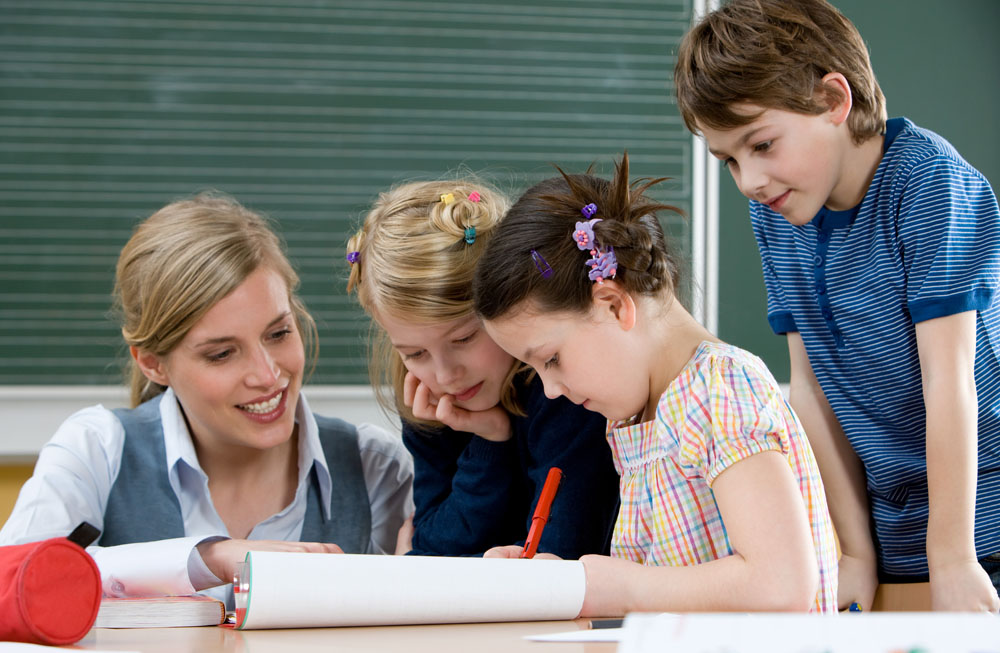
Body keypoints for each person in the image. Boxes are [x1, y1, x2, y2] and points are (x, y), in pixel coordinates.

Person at [672, 0, 1000, 613]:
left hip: (978, 523)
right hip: (892, 526)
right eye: (729, 161)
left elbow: (948, 382)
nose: (749, 181)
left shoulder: (929, 181)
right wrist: (853, 552)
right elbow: (810, 391)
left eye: (762, 144)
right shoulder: (778, 210)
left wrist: (952, 558)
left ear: (832, 100)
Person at [0, 193, 414, 602]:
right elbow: (12, 578)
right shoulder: (97, 449)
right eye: (221, 354)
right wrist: (206, 560)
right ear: (152, 364)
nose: (268, 375)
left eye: (279, 333)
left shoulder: (373, 466)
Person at [472, 155, 838, 614]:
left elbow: (780, 586)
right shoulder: (635, 420)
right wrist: (564, 582)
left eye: (551, 360)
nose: (549, 390)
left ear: (612, 305)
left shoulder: (718, 389)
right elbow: (666, 583)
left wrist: (616, 589)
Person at [346, 179, 620, 558]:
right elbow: (433, 546)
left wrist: (447, 568)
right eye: (414, 353)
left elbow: (557, 557)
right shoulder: (429, 400)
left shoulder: (564, 392)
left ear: (506, 302)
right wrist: (489, 441)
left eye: (463, 340)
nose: (444, 376)